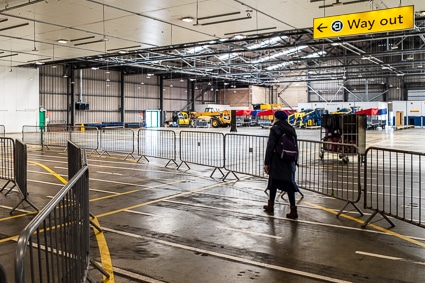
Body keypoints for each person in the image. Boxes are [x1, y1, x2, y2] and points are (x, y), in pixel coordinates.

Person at [263, 110, 299, 219]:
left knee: (273, 182)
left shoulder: (275, 129)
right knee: (289, 184)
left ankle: (271, 205)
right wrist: (295, 160)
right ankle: (293, 209)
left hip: (277, 160)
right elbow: (295, 145)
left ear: (276, 118)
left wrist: (266, 163)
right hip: (289, 160)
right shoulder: (291, 129)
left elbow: (270, 146)